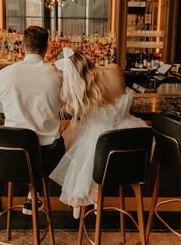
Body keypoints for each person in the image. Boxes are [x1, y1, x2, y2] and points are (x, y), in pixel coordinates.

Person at [49, 47, 148, 217]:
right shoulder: (114, 69)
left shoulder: (79, 92)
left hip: (102, 144)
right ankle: (93, 195)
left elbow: (78, 115)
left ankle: (84, 196)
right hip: (132, 140)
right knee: (81, 136)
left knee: (70, 139)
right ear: (83, 57)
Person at [0, 26, 65, 214]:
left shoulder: (4, 74)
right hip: (46, 156)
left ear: (23, 46)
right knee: (61, 140)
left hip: (9, 155)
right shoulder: (57, 75)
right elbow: (63, 107)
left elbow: (0, 109)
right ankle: (34, 194)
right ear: (46, 48)